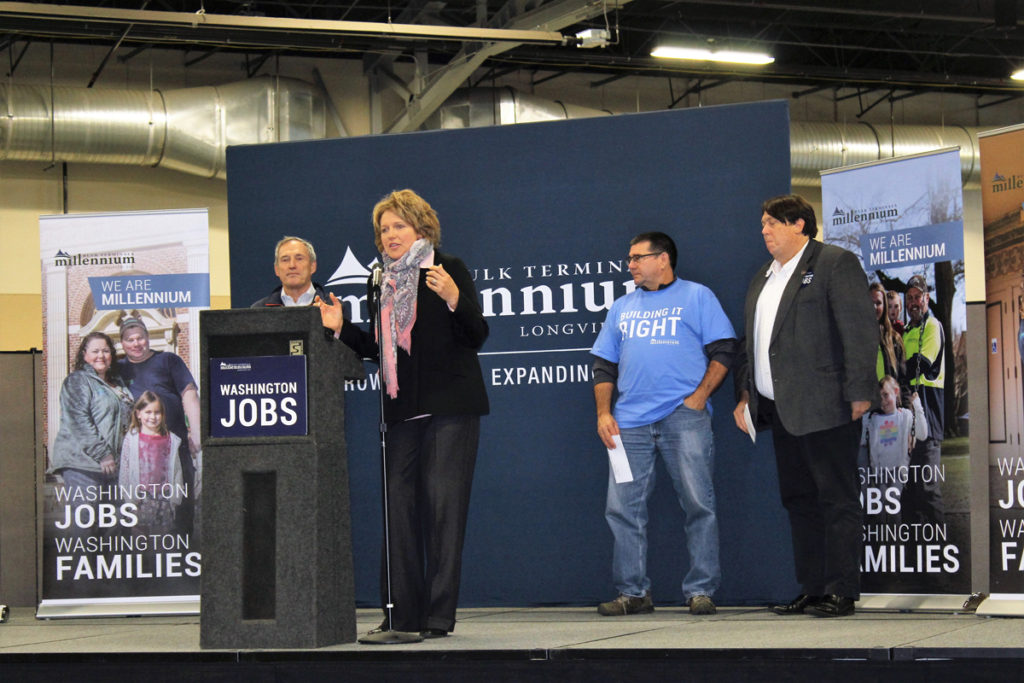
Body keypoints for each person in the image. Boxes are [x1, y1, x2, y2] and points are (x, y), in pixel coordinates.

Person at [317, 189, 489, 638]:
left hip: (450, 409)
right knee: (399, 516)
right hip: (401, 412)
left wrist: (454, 298)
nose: (390, 235)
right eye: (384, 228)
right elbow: (380, 349)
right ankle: (401, 617)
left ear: (421, 227)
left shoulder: (446, 269)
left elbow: (477, 333)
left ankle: (436, 617)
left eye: (398, 226)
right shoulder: (384, 282)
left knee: (443, 515)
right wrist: (342, 330)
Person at [732, 194, 877, 618]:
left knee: (836, 498)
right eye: (762, 224)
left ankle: (842, 589)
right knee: (799, 499)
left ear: (799, 225)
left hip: (827, 403)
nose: (764, 231)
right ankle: (813, 587)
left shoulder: (835, 263)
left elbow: (859, 331)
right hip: (779, 409)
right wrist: (745, 394)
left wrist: (860, 391)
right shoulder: (763, 275)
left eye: (772, 223)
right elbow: (752, 342)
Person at [590, 232, 736, 617]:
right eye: (629, 258)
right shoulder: (622, 307)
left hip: (683, 417)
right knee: (622, 510)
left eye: (638, 258)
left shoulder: (697, 296)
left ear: (664, 259)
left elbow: (723, 348)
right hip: (628, 425)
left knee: (698, 503)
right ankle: (633, 592)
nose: (631, 265)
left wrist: (700, 396)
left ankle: (701, 590)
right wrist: (605, 413)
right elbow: (604, 365)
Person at [118, 317, 201, 536]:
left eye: (140, 338)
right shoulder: (118, 369)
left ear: (147, 338)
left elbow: (189, 394)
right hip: (141, 454)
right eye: (129, 339)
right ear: (122, 343)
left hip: (175, 447)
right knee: (140, 518)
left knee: (182, 506)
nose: (136, 344)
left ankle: (182, 559)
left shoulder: (168, 360)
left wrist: (196, 432)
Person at [49, 333, 134, 528]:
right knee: (85, 527)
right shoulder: (78, 380)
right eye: (95, 351)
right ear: (84, 355)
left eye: (105, 351)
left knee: (113, 527)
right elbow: (77, 420)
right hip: (83, 465)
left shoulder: (118, 384)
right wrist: (102, 454)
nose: (101, 356)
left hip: (114, 467)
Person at [901, 273, 945, 525]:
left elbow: (920, 364)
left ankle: (939, 550)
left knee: (928, 490)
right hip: (908, 424)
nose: (913, 302)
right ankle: (915, 554)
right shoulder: (907, 330)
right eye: (909, 298)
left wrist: (897, 368)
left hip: (928, 421)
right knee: (909, 491)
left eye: (918, 297)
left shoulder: (932, 326)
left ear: (927, 298)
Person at [858, 376, 927, 524]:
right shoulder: (873, 419)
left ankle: (895, 541)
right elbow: (862, 440)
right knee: (880, 512)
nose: (882, 401)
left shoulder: (905, 416)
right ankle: (883, 542)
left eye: (886, 395)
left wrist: (918, 407)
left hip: (897, 471)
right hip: (879, 473)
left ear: (896, 392)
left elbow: (922, 434)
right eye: (879, 397)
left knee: (892, 507)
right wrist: (864, 413)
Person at [119, 391, 184, 534]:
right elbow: (125, 469)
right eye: (148, 412)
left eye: (157, 412)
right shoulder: (132, 439)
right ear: (138, 414)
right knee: (140, 543)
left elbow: (177, 470)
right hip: (140, 499)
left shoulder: (171, 440)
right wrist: (129, 500)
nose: (153, 417)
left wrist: (175, 499)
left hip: (164, 499)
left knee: (162, 543)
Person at [251, 236, 328, 307]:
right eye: (285, 260)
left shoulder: (334, 307)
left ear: (312, 266)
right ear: (276, 269)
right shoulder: (258, 310)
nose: (292, 265)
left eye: (299, 259)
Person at [871, 282, 909, 403]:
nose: (874, 307)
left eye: (878, 303)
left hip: (891, 411)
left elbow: (903, 381)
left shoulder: (895, 339)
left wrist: (907, 410)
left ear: (884, 306)